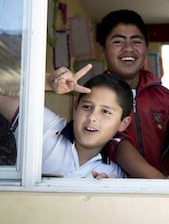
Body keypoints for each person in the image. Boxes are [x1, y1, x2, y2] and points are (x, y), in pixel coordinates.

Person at [96, 9, 169, 178]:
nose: (128, 49)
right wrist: (162, 184)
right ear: (102, 49)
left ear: (146, 47)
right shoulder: (92, 95)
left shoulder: (165, 98)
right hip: (110, 188)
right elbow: (112, 144)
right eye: (118, 41)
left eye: (136, 41)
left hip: (162, 193)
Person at [0, 69, 132, 178]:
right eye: (87, 107)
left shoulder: (114, 175)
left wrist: (107, 194)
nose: (92, 117)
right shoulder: (46, 126)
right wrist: (46, 81)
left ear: (123, 123)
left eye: (105, 111)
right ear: (76, 106)